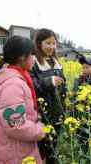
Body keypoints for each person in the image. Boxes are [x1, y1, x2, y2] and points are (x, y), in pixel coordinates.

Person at [0, 36, 45, 164]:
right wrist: (40, 130)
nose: (34, 59)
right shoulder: (13, 85)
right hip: (13, 154)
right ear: (22, 58)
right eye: (32, 55)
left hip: (14, 149)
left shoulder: (15, 76)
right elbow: (16, 126)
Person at [30, 28, 67, 163]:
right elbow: (31, 85)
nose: (52, 46)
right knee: (41, 148)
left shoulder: (56, 62)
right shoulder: (33, 62)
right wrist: (49, 82)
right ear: (39, 43)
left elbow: (63, 85)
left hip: (57, 112)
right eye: (48, 43)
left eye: (54, 43)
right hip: (41, 113)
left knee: (53, 147)